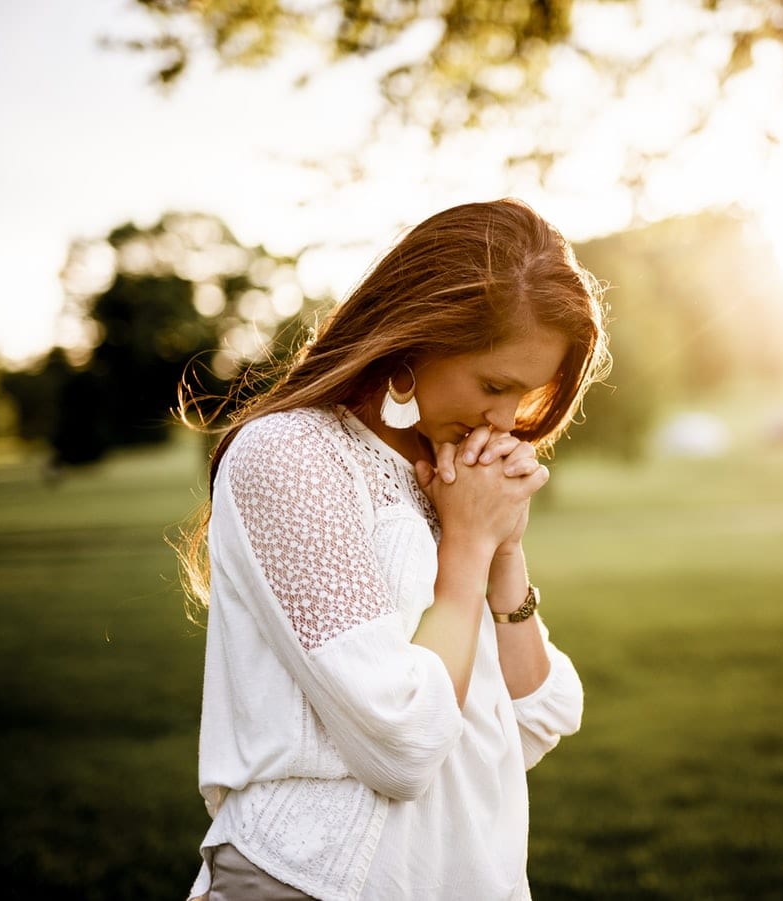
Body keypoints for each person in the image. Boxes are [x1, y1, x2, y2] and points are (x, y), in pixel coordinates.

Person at [173, 197, 611, 901]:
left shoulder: (448, 473)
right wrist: (466, 546)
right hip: (310, 882)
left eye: (525, 394)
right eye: (494, 385)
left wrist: (503, 549)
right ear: (415, 339)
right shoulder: (293, 456)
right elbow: (405, 741)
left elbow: (538, 715)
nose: (506, 420)